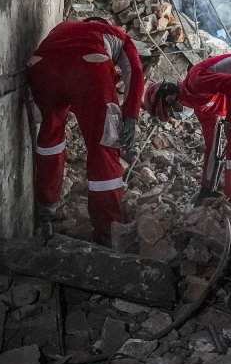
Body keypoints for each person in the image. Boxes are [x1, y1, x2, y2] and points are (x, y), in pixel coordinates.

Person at [26, 17, 143, 242]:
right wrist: (131, 114)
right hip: (90, 67)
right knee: (103, 145)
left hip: (41, 66)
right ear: (104, 23)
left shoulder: (63, 26)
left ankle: (47, 207)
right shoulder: (116, 33)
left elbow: (55, 51)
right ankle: (108, 230)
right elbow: (135, 69)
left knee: (51, 135)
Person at [143, 52, 231, 207]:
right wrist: (206, 187)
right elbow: (212, 146)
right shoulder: (200, 107)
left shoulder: (194, 82)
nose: (174, 117)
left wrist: (229, 121)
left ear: (170, 99)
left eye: (170, 113)